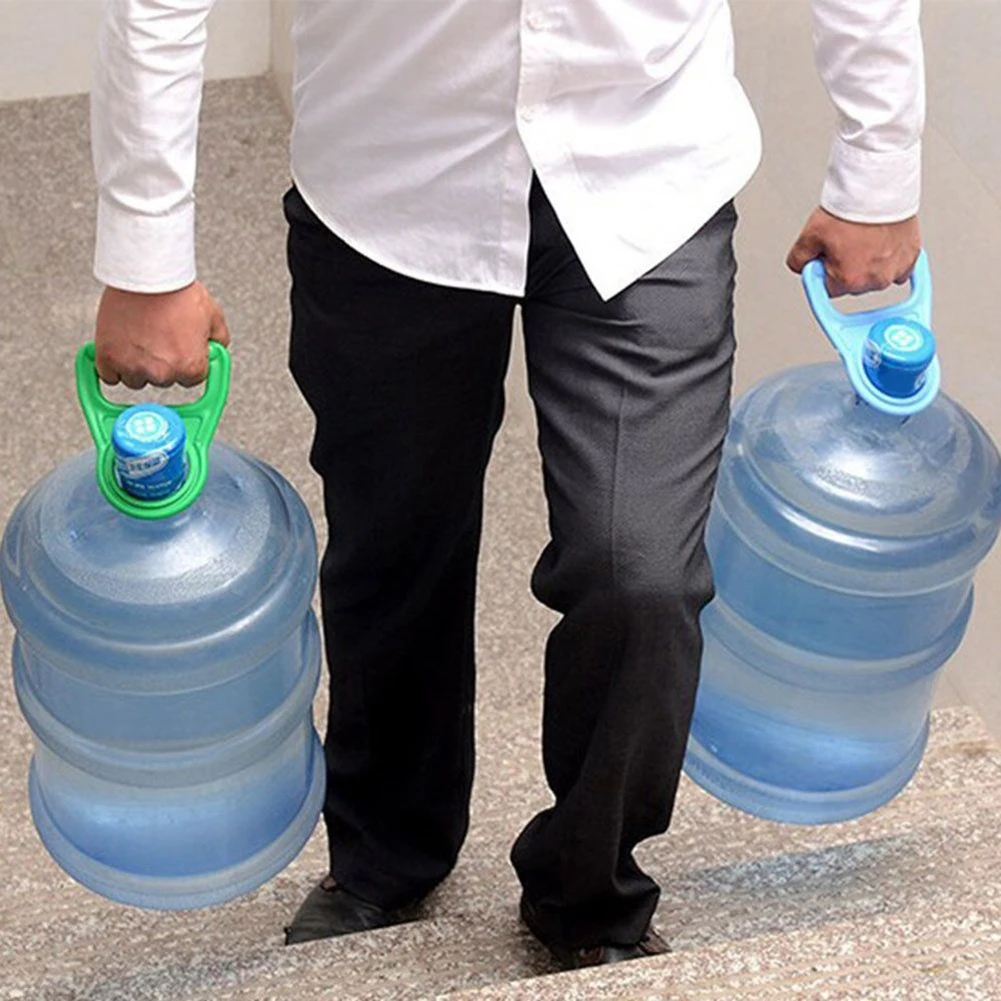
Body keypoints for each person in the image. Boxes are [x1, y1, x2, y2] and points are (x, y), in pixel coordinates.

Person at [89, 0, 924, 971]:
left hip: (648, 167)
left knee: (640, 572)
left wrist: (877, 166)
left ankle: (588, 894)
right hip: (389, 177)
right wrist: (146, 255)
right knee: (395, 545)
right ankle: (385, 856)